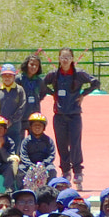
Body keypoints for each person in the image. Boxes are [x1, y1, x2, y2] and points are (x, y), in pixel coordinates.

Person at [44, 49, 99, 189]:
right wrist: (52, 94)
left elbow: (96, 82)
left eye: (68, 57)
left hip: (74, 114)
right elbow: (41, 84)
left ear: (72, 59)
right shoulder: (54, 75)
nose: (65, 60)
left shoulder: (79, 74)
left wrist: (83, 94)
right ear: (58, 58)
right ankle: (65, 170)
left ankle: (78, 171)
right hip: (59, 115)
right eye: (63, 57)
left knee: (75, 143)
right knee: (61, 144)